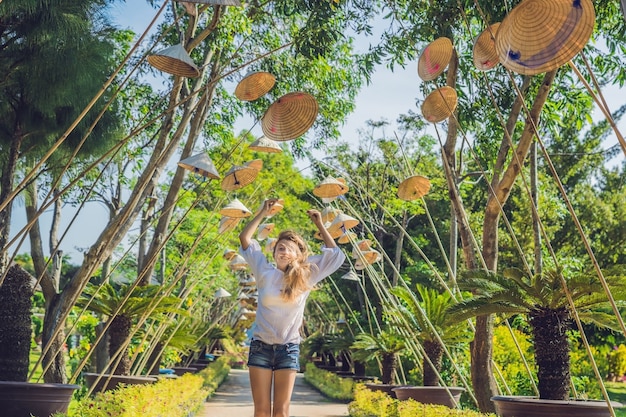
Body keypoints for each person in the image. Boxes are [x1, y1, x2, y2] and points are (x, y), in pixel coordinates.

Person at [239, 198, 346, 417]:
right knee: (261, 410)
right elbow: (245, 238)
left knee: (281, 411)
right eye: (280, 248)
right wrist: (262, 212)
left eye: (288, 249)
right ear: (274, 252)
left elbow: (335, 256)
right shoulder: (263, 270)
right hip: (261, 346)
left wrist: (320, 224)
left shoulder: (307, 275)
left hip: (288, 348)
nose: (283, 252)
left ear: (297, 255)